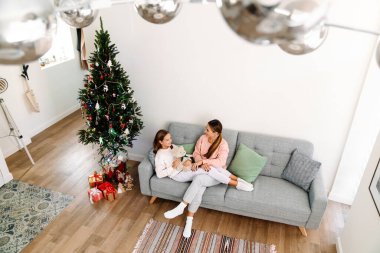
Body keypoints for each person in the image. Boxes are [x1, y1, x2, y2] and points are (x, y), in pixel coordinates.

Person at [162, 119, 253, 238]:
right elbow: (195, 153)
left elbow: (221, 162)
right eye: (206, 129)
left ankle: (182, 208)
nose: (205, 131)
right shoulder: (202, 138)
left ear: (215, 133)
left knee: (202, 177)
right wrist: (201, 163)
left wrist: (205, 162)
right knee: (199, 181)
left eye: (208, 130)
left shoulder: (223, 144)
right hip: (204, 170)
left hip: (216, 176)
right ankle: (189, 220)